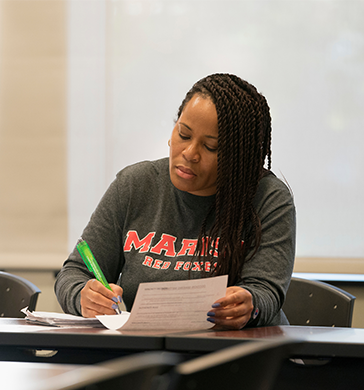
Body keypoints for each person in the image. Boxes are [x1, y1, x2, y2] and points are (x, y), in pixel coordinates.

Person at [55, 73, 296, 330]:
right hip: (144, 352)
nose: (190, 153)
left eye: (211, 147)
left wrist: (250, 304)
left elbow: (266, 292)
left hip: (233, 353)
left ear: (240, 156)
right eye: (184, 134)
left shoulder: (268, 198)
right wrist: (83, 296)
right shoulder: (135, 185)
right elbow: (74, 274)